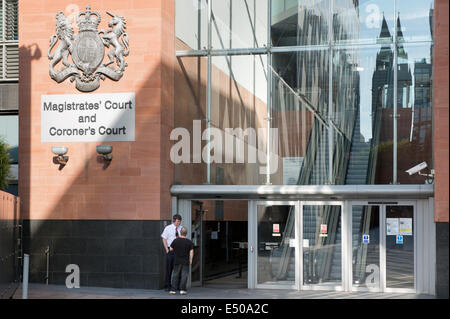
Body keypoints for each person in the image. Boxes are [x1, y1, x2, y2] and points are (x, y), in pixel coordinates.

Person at [169, 227, 194, 295]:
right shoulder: (189, 242)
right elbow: (191, 252)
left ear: (180, 232)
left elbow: (171, 248)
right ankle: (182, 290)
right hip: (185, 261)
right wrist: (191, 259)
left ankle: (173, 290)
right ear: (186, 233)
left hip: (177, 260)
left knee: (175, 275)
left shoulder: (175, 240)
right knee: (184, 275)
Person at [161, 214, 182, 291]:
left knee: (178, 269)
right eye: (177, 221)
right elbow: (164, 238)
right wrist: (167, 249)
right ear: (174, 221)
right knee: (169, 269)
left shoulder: (181, 228)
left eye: (179, 221)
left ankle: (178, 286)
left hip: (179, 252)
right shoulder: (168, 228)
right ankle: (167, 285)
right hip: (170, 251)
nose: (178, 223)